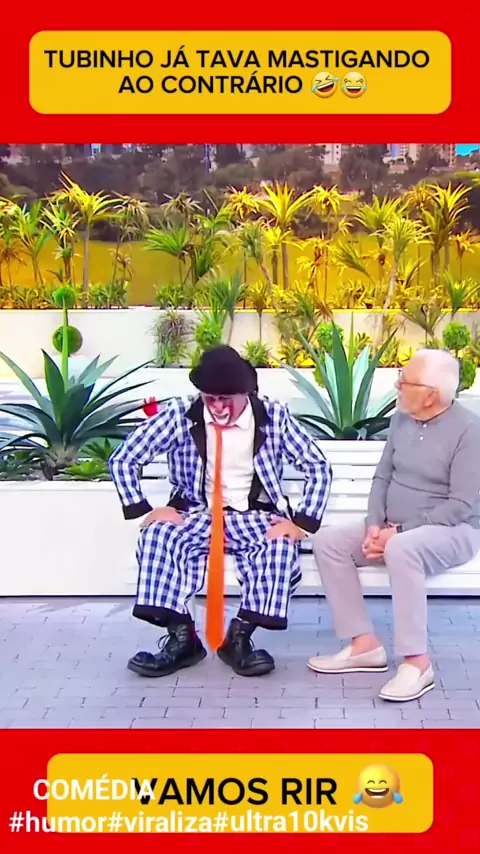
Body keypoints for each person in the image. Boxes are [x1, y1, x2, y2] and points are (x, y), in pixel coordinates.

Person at [109, 345, 332, 679]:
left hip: (254, 515)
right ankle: (182, 639)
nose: (216, 406)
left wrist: (300, 524)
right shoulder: (180, 414)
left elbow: (317, 466)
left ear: (245, 392)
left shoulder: (273, 417)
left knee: (280, 548)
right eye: (209, 398)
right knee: (157, 536)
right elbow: (124, 458)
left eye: (225, 398)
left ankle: (238, 639)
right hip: (196, 513)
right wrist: (145, 509)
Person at [308, 348, 480, 703]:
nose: (397, 386)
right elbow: (382, 476)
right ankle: (364, 646)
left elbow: (460, 506)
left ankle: (417, 663)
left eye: (405, 381)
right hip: (392, 527)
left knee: (402, 548)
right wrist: (375, 525)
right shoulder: (402, 418)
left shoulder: (470, 431)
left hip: (454, 530)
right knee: (329, 542)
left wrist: (397, 533)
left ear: (430, 394)